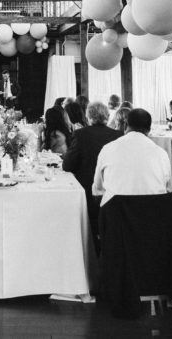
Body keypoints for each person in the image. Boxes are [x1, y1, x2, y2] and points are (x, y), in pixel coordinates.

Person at [63, 101, 121, 242]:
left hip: (87, 188)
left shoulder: (81, 134)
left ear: (89, 116)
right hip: (113, 187)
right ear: (107, 116)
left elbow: (68, 165)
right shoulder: (118, 135)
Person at [92, 108, 172, 205]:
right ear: (149, 130)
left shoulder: (107, 149)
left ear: (125, 125)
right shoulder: (162, 154)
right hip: (152, 215)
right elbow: (168, 190)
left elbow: (98, 191)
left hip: (116, 215)